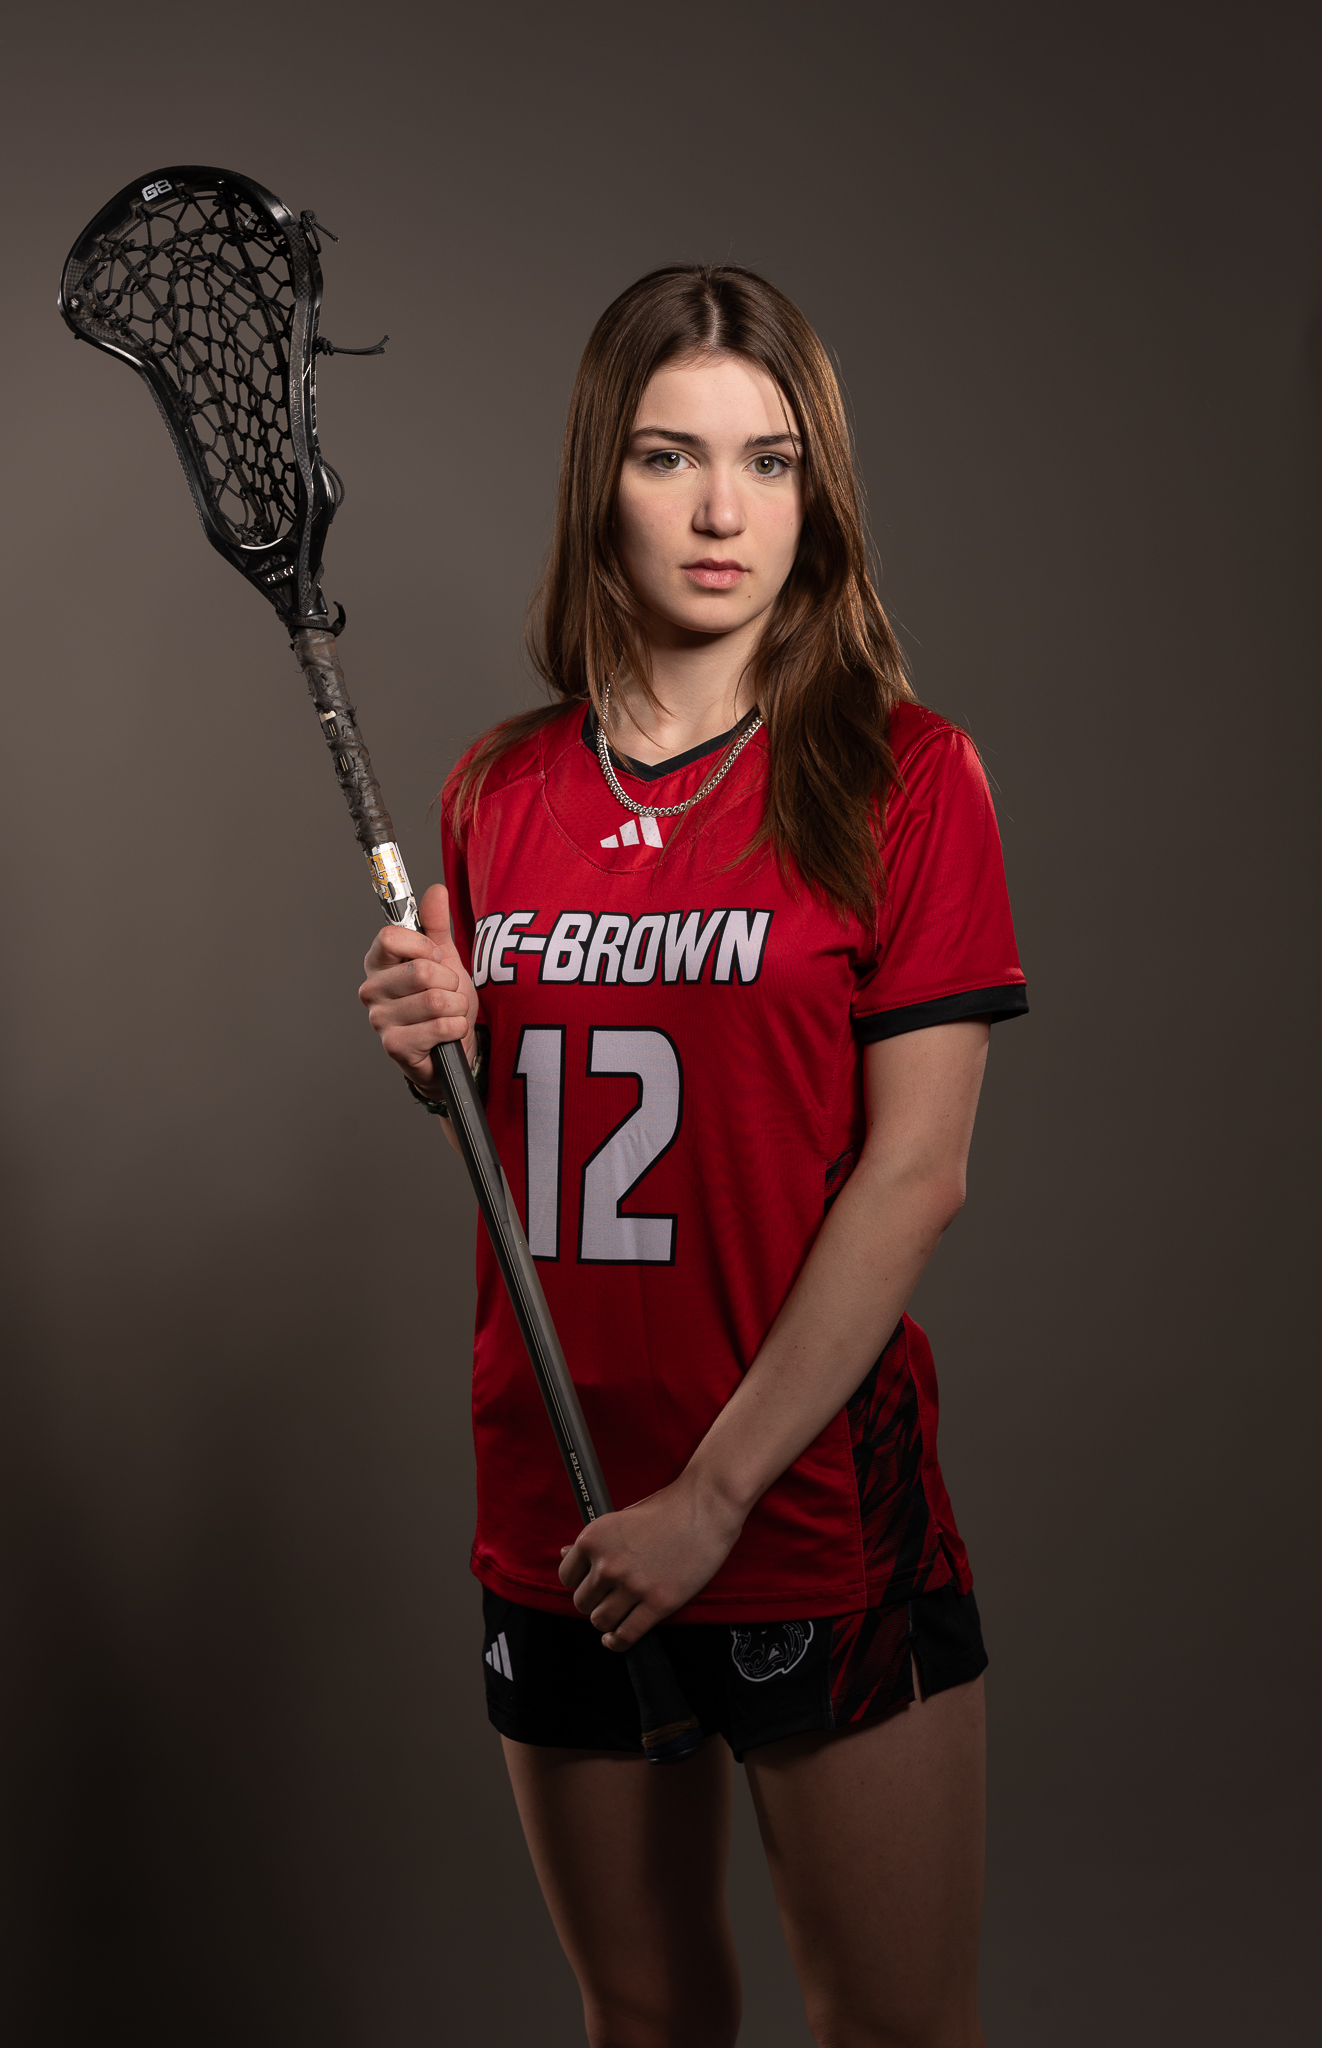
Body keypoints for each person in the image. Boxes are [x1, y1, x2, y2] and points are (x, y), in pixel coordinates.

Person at [359, 265, 1026, 2048]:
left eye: (768, 461)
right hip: (561, 1511)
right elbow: (537, 1135)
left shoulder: (905, 777)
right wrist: (437, 1055)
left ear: (818, 493)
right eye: (669, 456)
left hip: (803, 1518)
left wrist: (712, 1501)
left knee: (895, 2028)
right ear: (604, 479)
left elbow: (916, 1174)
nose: (723, 510)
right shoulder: (496, 790)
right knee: (644, 2019)